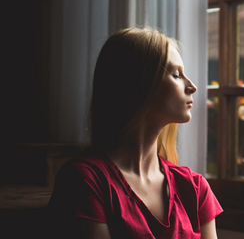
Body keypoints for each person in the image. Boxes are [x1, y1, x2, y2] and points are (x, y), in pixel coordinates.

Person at [48, 27, 223, 239]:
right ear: (139, 83)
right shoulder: (85, 180)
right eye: (176, 75)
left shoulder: (194, 188)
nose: (192, 86)